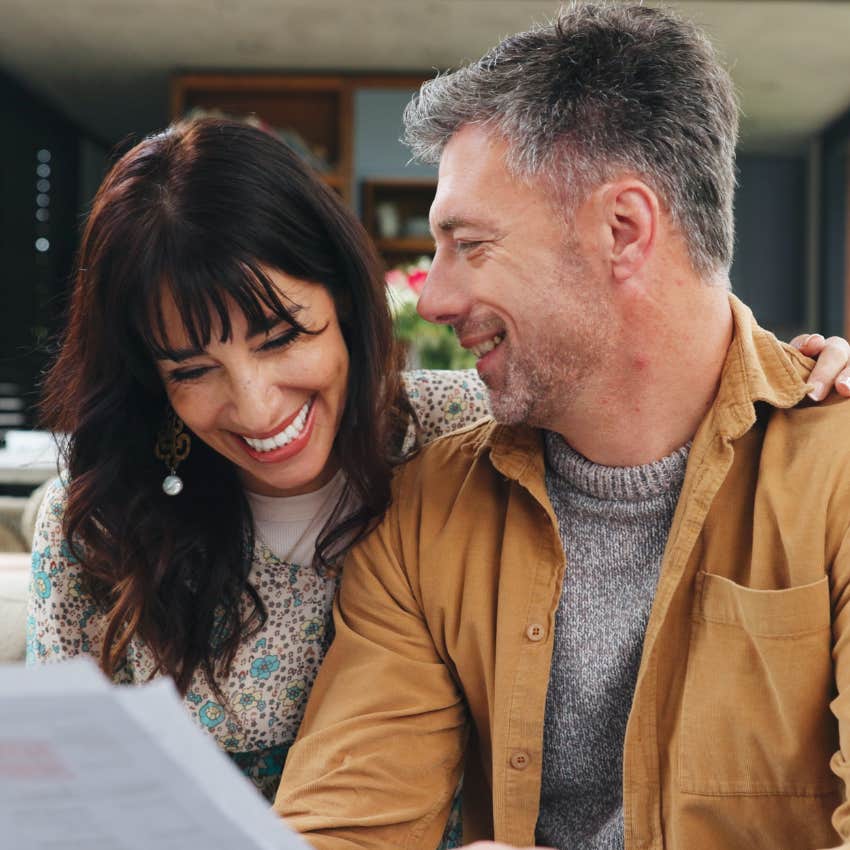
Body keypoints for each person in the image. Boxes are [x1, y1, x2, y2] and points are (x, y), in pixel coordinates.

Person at [275, 4, 850, 850]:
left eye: (468, 244)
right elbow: (340, 831)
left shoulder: (834, 475)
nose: (430, 299)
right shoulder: (427, 512)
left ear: (623, 230)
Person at [25, 118, 487, 823]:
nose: (255, 407)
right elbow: (56, 799)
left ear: (345, 301)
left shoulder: (462, 441)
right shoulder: (95, 522)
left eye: (281, 338)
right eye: (193, 370)